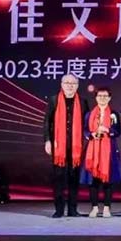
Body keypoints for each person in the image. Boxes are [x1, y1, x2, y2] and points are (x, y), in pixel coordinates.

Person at [43, 74, 89, 218]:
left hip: (76, 147)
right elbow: (47, 122)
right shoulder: (54, 100)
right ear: (62, 84)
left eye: (73, 83)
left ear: (77, 85)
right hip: (58, 146)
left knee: (74, 178)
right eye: (67, 83)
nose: (70, 86)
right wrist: (47, 140)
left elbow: (87, 124)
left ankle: (72, 209)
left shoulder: (83, 102)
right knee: (59, 178)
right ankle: (59, 209)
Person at [80, 87, 121, 218]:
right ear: (96, 98)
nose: (102, 98)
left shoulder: (114, 114)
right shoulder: (89, 114)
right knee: (93, 180)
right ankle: (94, 207)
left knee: (108, 180)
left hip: (108, 150)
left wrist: (108, 130)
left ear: (109, 98)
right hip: (92, 150)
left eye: (105, 96)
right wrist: (91, 134)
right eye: (100, 96)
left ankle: (107, 208)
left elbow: (118, 131)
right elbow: (85, 130)